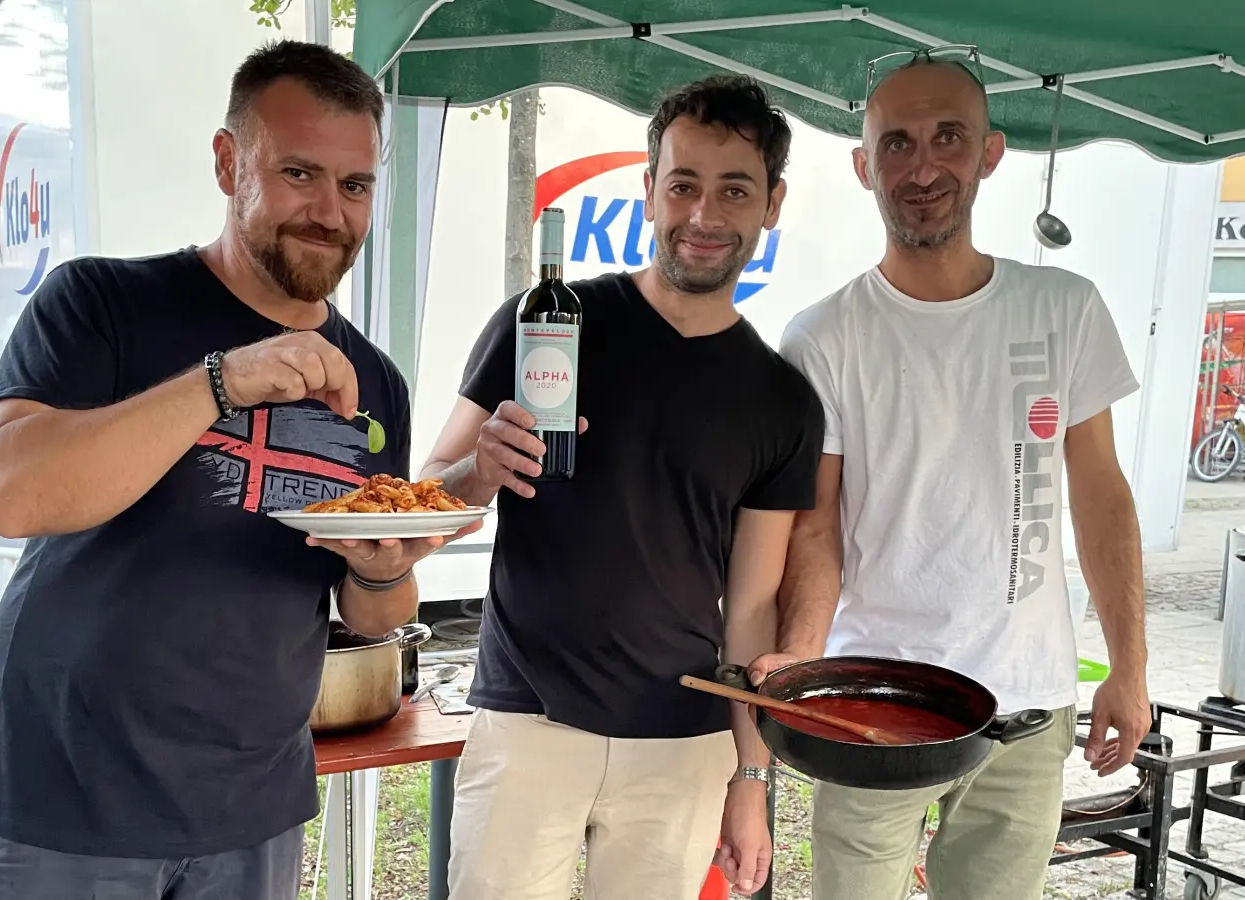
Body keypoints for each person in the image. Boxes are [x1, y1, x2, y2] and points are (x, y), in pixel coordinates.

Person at [0, 40, 475, 900]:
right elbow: (12, 495)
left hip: (252, 814)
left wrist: (382, 569)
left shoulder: (373, 379)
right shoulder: (101, 303)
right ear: (230, 164)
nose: (329, 212)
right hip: (67, 805)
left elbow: (373, 609)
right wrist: (220, 382)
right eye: (298, 173)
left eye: (355, 186)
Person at [421, 74, 824, 900]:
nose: (705, 215)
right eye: (683, 185)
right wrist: (478, 472)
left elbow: (752, 609)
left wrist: (751, 780)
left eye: (735, 190)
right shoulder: (547, 323)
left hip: (682, 741)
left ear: (771, 205)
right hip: (527, 723)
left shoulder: (781, 400)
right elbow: (430, 498)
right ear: (648, 191)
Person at [773, 51, 1152, 900]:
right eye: (897, 143)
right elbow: (816, 526)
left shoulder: (1065, 309)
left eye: (949, 137)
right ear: (863, 166)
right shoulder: (823, 336)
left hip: (1028, 701)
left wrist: (1129, 666)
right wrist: (798, 665)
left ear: (990, 152)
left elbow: (1101, 499)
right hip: (875, 701)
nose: (923, 165)